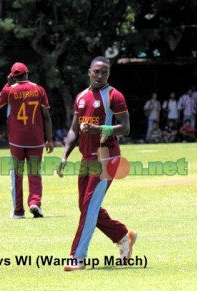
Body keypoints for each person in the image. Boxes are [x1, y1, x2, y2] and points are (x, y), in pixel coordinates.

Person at [57, 56, 137, 271]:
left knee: (89, 207)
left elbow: (126, 127)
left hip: (106, 157)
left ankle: (77, 257)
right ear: (89, 72)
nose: (100, 75)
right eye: (96, 71)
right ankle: (122, 235)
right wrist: (65, 156)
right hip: (86, 159)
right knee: (86, 207)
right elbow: (74, 129)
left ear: (108, 74)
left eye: (104, 72)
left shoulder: (114, 95)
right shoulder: (81, 97)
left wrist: (100, 129)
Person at [0, 62, 54, 219]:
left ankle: (18, 211)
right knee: (34, 172)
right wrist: (49, 139)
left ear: (13, 76)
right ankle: (35, 202)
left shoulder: (10, 90)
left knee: (16, 174)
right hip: (36, 139)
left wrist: (7, 84)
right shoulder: (38, 89)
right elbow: (46, 116)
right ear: (27, 73)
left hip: (16, 140)